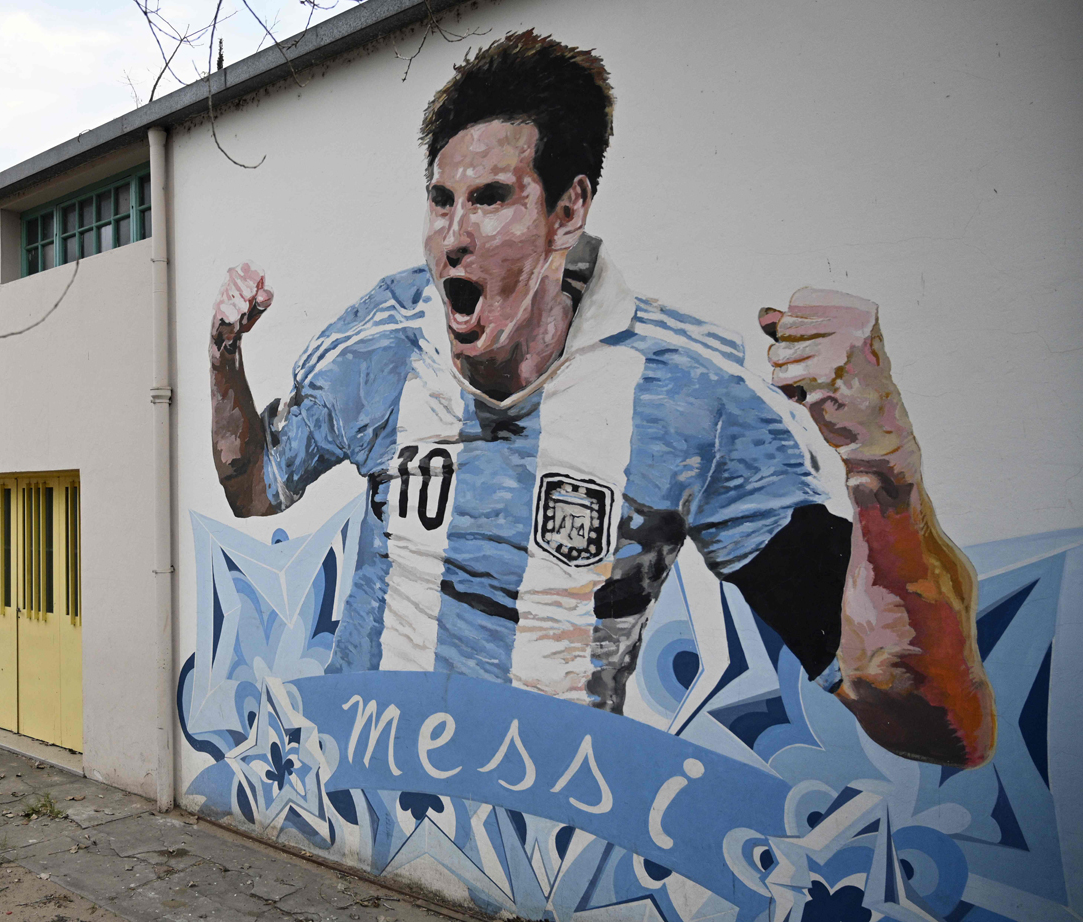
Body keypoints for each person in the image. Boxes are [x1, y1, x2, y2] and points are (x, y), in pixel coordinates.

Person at [207, 31, 995, 768]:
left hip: (552, 846)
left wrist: (883, 472)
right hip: (354, 806)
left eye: (488, 198)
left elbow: (938, 727)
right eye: (440, 200)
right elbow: (254, 489)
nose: (452, 235)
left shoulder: (689, 397)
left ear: (569, 210)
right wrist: (223, 359)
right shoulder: (379, 341)